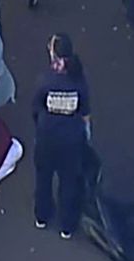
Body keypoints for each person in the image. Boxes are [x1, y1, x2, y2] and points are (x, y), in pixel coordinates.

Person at [32, 32, 92, 239]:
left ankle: (42, 216)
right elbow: (85, 112)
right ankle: (67, 225)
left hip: (47, 138)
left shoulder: (45, 81)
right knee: (69, 183)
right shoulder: (78, 81)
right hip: (71, 141)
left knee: (43, 179)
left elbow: (36, 110)